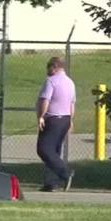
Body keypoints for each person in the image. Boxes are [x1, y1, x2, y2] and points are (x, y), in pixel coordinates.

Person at [36, 56, 76, 192]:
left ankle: (65, 173)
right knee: (54, 152)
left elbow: (45, 100)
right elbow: (72, 103)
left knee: (44, 149)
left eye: (48, 67)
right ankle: (51, 183)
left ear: (54, 67)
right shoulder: (70, 82)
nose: (47, 70)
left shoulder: (51, 81)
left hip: (53, 119)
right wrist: (71, 120)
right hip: (65, 119)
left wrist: (41, 116)